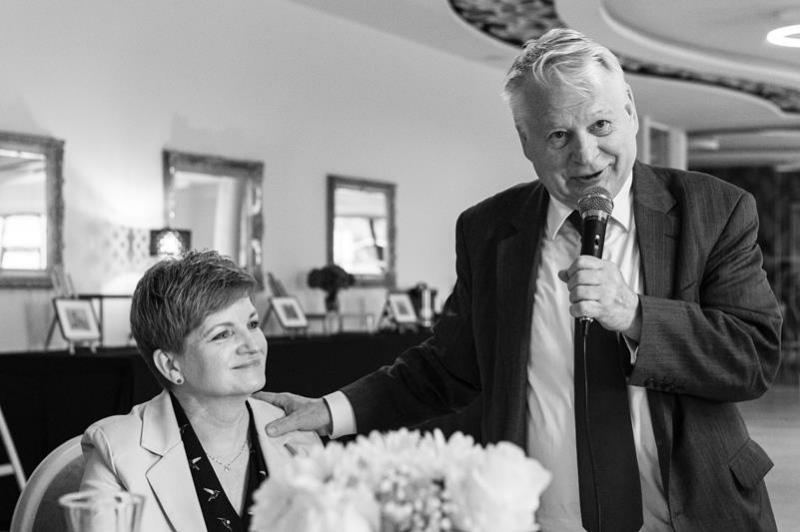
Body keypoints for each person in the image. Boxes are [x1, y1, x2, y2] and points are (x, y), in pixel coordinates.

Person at [258, 28, 782, 531]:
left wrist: (637, 315)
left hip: (696, 514)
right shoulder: (487, 229)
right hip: (541, 519)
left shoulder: (714, 209)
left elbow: (753, 358)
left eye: (600, 125)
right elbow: (446, 368)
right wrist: (330, 410)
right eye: (558, 135)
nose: (585, 155)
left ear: (629, 110)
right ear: (525, 140)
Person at [80, 250, 321, 532]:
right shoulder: (117, 452)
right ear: (171, 365)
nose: (253, 345)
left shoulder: (298, 436)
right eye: (223, 334)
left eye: (252, 324)